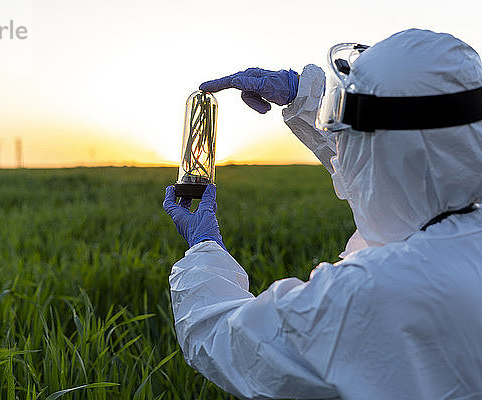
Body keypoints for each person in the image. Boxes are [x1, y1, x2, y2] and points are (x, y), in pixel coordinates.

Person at [163, 29, 482, 400]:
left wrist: (204, 251)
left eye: (341, 123)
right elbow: (403, 164)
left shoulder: (373, 293)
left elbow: (225, 339)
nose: (337, 141)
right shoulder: (451, 225)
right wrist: (304, 97)